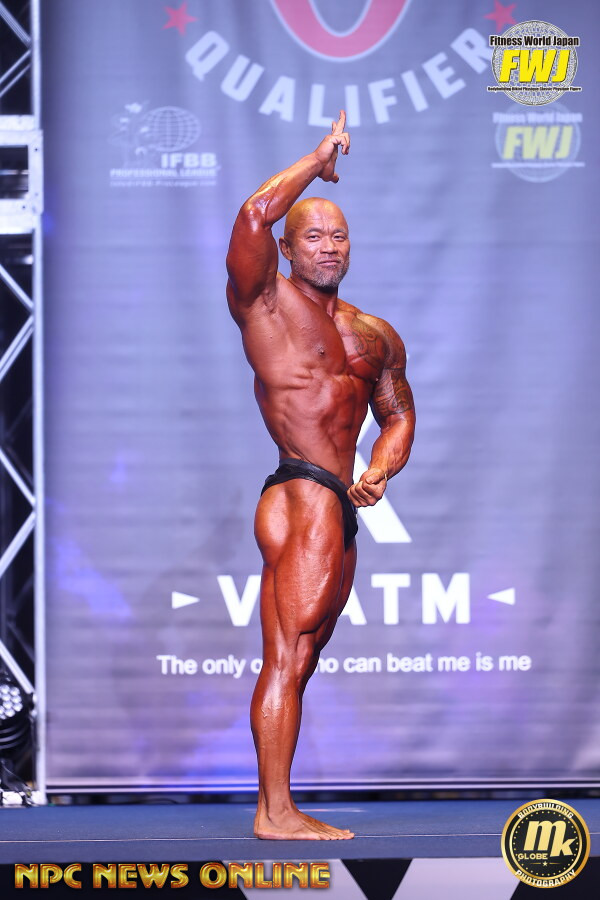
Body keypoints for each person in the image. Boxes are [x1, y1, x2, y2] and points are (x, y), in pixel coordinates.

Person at [226, 111, 415, 840]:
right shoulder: (264, 303)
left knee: (301, 659)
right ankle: (274, 813)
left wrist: (382, 467)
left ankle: (280, 804)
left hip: (341, 502)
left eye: (339, 236)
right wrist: (317, 158)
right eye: (313, 236)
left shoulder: (374, 334)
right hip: (301, 490)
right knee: (286, 654)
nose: (329, 246)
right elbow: (254, 212)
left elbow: (399, 415)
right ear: (286, 246)